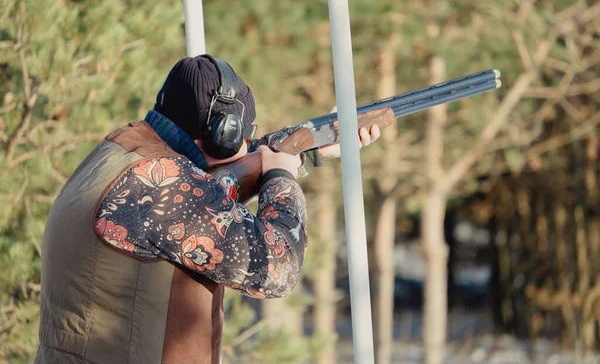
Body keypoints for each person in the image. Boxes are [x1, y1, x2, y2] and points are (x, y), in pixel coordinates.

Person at [34, 55, 380, 364]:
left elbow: (206, 185)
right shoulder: (162, 183)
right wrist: (281, 176)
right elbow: (278, 267)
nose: (247, 144)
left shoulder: (127, 150)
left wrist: (310, 147)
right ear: (222, 134)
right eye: (244, 135)